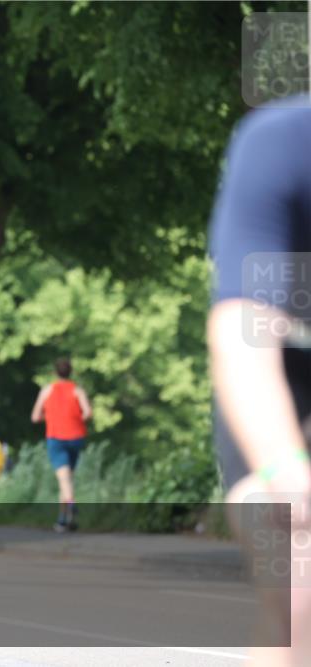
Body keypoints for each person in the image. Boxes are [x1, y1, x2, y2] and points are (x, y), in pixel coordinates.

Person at [207, 100, 310, 667]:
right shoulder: (282, 142)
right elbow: (242, 328)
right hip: (287, 377)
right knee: (300, 582)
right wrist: (286, 473)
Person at [31, 358, 92, 532]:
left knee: (64, 480)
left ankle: (71, 504)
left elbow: (35, 417)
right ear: (70, 372)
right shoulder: (77, 391)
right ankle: (64, 520)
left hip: (56, 437)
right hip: (76, 437)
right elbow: (88, 413)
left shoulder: (47, 390)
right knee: (66, 480)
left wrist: (50, 417)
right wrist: (75, 418)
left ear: (55, 372)